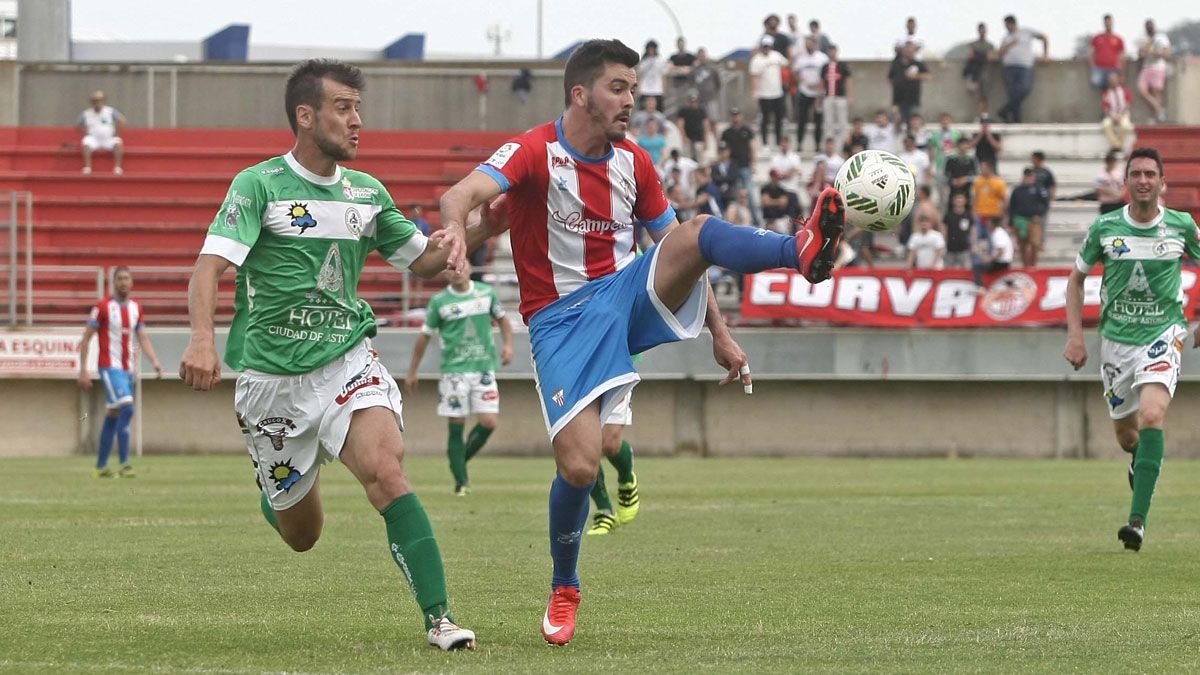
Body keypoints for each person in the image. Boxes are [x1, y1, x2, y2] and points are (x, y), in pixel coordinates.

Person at [437, 39, 846, 646]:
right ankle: (565, 584)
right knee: (578, 466)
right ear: (582, 95)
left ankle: (799, 250)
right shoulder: (534, 151)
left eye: (634, 87)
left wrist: (722, 334)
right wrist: (454, 231)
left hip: (624, 295)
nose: (633, 99)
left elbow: (682, 248)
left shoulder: (635, 162)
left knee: (697, 230)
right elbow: (461, 195)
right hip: (560, 320)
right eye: (619, 88)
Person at [178, 59, 485, 651]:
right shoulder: (259, 185)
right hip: (272, 385)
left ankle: (440, 619)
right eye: (344, 107)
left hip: (347, 361)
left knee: (386, 473)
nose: (356, 120)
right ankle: (277, 493)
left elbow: (423, 261)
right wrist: (201, 340)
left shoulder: (366, 194)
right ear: (305, 115)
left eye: (358, 108)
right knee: (303, 534)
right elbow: (210, 267)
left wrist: (474, 232)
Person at [1064, 147, 1200, 552]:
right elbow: (1074, 281)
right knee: (1127, 435)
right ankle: (1141, 463)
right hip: (1116, 343)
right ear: (1126, 182)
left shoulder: (1181, 226)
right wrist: (1075, 336)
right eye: (1136, 173)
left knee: (1152, 414)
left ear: (1161, 182)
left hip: (1164, 334)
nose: (1143, 180)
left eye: (1150, 174)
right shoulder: (1105, 228)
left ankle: (1136, 522)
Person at [405, 261, 514, 495]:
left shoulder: (486, 294)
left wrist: (508, 346)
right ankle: (461, 482)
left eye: (459, 267)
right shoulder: (439, 302)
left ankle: (458, 461)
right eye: (450, 268)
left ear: (469, 268)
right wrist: (413, 371)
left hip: (484, 369)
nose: (455, 272)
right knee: (456, 426)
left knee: (489, 422)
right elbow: (424, 337)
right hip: (454, 373)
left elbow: (504, 320)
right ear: (444, 273)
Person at [77, 266, 165, 478]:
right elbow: (86, 338)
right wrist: (83, 370)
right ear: (114, 282)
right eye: (120, 279)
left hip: (128, 370)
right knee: (127, 407)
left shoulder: (136, 308)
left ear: (132, 283)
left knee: (113, 414)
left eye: (127, 278)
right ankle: (125, 463)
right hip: (109, 367)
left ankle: (100, 467)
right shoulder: (103, 307)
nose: (124, 282)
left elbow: (142, 336)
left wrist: (154, 361)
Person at [584, 389, 641, 535]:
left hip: (613, 371)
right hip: (579, 373)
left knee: (610, 444)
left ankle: (626, 479)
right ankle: (605, 512)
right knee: (586, 446)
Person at [996, 15, 1049, 123]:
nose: (1007, 28)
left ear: (1013, 23)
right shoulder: (1006, 38)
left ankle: (1004, 110)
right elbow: (1000, 53)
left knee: (1025, 88)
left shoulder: (1026, 31)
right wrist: (1009, 45)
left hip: (1025, 66)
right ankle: (1016, 121)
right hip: (1009, 68)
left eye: (1008, 25)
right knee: (1013, 95)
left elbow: (1043, 37)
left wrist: (1045, 55)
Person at [749, 35, 788, 151]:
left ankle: (777, 141)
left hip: (777, 93)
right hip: (764, 94)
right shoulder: (756, 60)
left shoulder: (776, 56)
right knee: (765, 120)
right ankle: (765, 143)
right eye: (764, 46)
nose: (766, 48)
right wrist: (755, 92)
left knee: (778, 119)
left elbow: (786, 64)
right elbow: (754, 77)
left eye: (768, 46)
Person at [792, 35, 829, 152]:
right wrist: (802, 81)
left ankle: (818, 144)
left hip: (818, 93)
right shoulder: (801, 58)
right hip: (804, 91)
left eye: (810, 43)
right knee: (801, 119)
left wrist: (818, 86)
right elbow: (796, 72)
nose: (808, 46)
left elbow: (826, 75)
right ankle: (799, 143)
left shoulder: (822, 58)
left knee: (818, 120)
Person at [78, 90, 125, 175]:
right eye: (95, 101)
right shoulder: (86, 113)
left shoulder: (110, 111)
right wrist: (84, 133)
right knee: (86, 143)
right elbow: (79, 125)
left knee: (118, 144)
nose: (98, 103)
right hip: (94, 138)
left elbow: (122, 120)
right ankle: (88, 167)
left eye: (100, 100)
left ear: (103, 101)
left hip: (108, 138)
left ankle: (117, 167)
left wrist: (117, 132)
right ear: (92, 102)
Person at [1008, 168, 1048, 267]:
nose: (1029, 178)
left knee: (1034, 244)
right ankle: (1025, 265)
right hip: (1020, 221)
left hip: (1033, 221)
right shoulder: (1017, 190)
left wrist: (1039, 215)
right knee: (1022, 245)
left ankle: (1033, 265)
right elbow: (1012, 207)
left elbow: (1045, 204)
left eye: (1030, 176)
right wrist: (1011, 223)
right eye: (1027, 176)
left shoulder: (1039, 189)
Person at [887, 43, 931, 129]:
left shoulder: (917, 64)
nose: (909, 53)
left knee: (914, 124)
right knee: (896, 124)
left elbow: (928, 76)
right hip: (898, 100)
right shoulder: (896, 64)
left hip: (913, 100)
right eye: (907, 50)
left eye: (911, 51)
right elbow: (890, 78)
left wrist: (916, 76)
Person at [1136, 19, 1171, 123]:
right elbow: (1140, 55)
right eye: (1147, 27)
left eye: (1150, 26)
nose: (1149, 28)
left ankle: (1155, 117)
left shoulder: (1161, 38)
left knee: (1155, 93)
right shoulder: (1143, 39)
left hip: (1158, 67)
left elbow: (1166, 54)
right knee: (1142, 90)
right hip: (1146, 67)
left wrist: (1152, 52)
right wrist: (1141, 53)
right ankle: (1160, 110)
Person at [819, 44, 851, 151]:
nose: (831, 53)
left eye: (833, 51)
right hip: (828, 97)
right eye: (830, 51)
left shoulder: (842, 65)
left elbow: (848, 80)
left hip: (840, 97)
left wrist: (850, 96)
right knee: (828, 123)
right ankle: (829, 147)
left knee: (842, 122)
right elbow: (822, 83)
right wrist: (819, 98)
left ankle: (843, 146)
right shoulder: (824, 67)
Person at [972, 213, 1013, 288]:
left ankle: (980, 287)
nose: (986, 224)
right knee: (980, 259)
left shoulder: (998, 233)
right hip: (1002, 261)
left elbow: (1001, 251)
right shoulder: (997, 232)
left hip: (1002, 262)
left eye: (988, 223)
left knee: (976, 266)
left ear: (992, 224)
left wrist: (989, 259)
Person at [963, 23, 994, 116]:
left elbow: (990, 57)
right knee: (976, 96)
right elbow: (970, 55)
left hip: (985, 72)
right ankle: (977, 115)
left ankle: (984, 116)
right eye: (981, 29)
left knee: (984, 96)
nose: (982, 32)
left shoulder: (989, 45)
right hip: (974, 74)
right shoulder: (973, 44)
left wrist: (978, 55)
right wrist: (982, 56)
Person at [1089, 14, 1126, 90]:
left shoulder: (1118, 39)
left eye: (1109, 22)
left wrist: (1122, 72)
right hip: (1099, 68)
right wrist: (1092, 67)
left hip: (1113, 68)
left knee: (1114, 82)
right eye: (1106, 22)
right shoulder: (1097, 38)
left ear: (1112, 23)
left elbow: (1122, 56)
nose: (1108, 24)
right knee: (1096, 81)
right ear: (1104, 23)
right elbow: (1091, 53)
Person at [1101, 71, 1135, 151]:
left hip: (1123, 114)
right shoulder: (1106, 93)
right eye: (1110, 79)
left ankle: (1116, 145)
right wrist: (1112, 116)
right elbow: (1105, 108)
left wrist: (1120, 115)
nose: (1112, 81)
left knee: (1125, 126)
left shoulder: (1125, 90)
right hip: (1111, 115)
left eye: (1114, 79)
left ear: (1118, 79)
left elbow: (1128, 104)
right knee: (1106, 124)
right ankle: (1117, 145)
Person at [942, 192, 977, 269]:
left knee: (966, 270)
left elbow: (973, 231)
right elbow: (944, 230)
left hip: (964, 248)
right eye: (957, 199)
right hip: (950, 248)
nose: (959, 202)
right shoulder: (948, 215)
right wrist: (943, 244)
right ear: (953, 201)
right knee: (948, 270)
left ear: (965, 201)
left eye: (961, 199)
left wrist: (973, 244)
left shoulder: (968, 215)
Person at [944, 136, 979, 208]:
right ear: (958, 146)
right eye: (962, 144)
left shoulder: (971, 160)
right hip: (954, 189)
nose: (964, 147)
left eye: (966, 144)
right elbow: (946, 174)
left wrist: (966, 179)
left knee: (967, 208)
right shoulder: (951, 159)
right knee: (952, 207)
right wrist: (952, 180)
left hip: (966, 189)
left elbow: (975, 175)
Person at [675, 93, 713, 159]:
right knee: (687, 159)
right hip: (688, 139)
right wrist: (684, 137)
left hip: (699, 138)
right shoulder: (683, 111)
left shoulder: (701, 111)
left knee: (700, 158)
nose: (693, 103)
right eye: (691, 102)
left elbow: (706, 125)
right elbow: (680, 125)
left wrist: (706, 140)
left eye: (694, 102)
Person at [689, 48, 723, 122]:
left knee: (713, 120)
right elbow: (690, 80)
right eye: (700, 56)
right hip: (699, 99)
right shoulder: (695, 69)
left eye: (703, 56)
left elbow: (718, 82)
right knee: (701, 120)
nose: (702, 58)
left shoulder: (712, 69)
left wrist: (714, 92)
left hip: (711, 98)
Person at [972, 160, 1007, 230]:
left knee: (992, 237)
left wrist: (1003, 212)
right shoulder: (978, 181)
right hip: (980, 213)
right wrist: (973, 211)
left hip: (993, 214)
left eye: (983, 168)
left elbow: (1004, 198)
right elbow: (974, 197)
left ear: (989, 168)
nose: (981, 170)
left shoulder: (998, 182)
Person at [636, 40, 666, 111]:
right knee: (643, 111)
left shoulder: (660, 61)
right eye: (650, 49)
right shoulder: (644, 61)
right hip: (645, 90)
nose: (651, 50)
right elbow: (640, 76)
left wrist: (664, 90)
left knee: (658, 111)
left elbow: (663, 76)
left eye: (653, 48)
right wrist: (638, 90)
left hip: (657, 90)